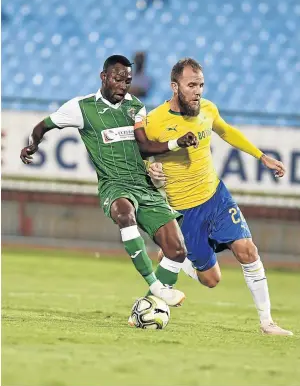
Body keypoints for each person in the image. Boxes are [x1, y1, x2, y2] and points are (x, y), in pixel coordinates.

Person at [20, 55, 198, 308]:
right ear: (103, 77)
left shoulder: (135, 106)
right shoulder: (81, 107)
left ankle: (149, 306)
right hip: (113, 185)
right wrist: (33, 145)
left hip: (143, 184)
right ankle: (156, 286)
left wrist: (175, 143)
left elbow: (145, 147)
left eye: (127, 81)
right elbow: (43, 126)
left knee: (177, 250)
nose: (122, 86)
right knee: (125, 214)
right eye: (117, 79)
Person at [143, 57, 293, 336]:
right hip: (185, 211)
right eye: (191, 85)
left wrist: (261, 157)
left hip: (216, 197)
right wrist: (148, 167)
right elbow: (138, 152)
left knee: (248, 250)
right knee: (212, 280)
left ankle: (267, 323)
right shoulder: (154, 121)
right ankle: (181, 256)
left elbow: (226, 131)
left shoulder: (208, 109)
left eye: (200, 84)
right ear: (175, 87)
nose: (198, 90)